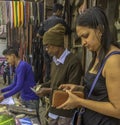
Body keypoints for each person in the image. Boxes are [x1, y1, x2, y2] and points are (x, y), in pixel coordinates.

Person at [57, 7, 120, 125]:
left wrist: (80, 102)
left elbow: (117, 109)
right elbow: (102, 92)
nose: (83, 42)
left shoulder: (113, 60)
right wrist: (79, 89)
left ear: (100, 30)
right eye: (80, 37)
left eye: (86, 36)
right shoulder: (98, 54)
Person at [37, 24, 83, 125]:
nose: (46, 49)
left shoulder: (73, 62)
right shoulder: (54, 61)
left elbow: (71, 90)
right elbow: (54, 82)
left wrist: (48, 91)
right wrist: (42, 86)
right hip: (54, 109)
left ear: (56, 44)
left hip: (66, 113)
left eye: (48, 46)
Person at [37, 3, 69, 82]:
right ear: (58, 11)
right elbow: (68, 32)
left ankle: (48, 82)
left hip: (46, 47)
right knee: (57, 65)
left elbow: (38, 34)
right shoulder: (61, 21)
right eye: (61, 12)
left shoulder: (46, 21)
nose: (61, 14)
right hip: (56, 47)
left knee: (48, 66)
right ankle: (54, 83)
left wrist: (46, 39)